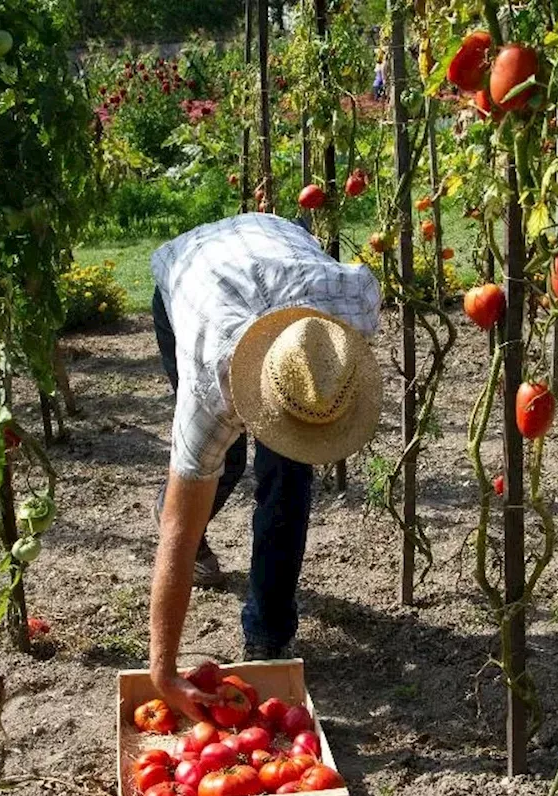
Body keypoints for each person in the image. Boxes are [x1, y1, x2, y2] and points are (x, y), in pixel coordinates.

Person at [147, 213, 383, 721]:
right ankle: (185, 499)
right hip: (190, 276)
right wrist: (163, 673)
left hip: (275, 242)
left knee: (289, 478)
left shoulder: (349, 313)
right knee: (220, 465)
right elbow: (175, 535)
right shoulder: (212, 387)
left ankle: (268, 635)